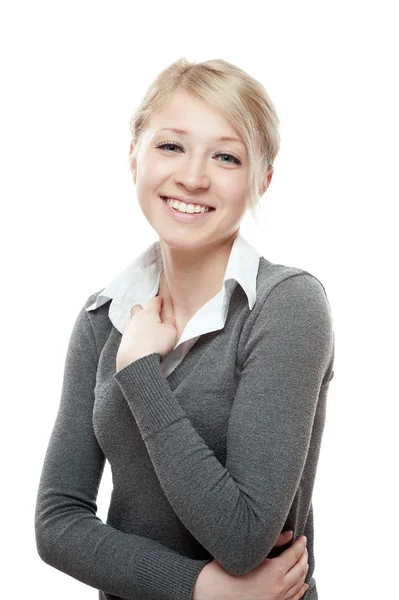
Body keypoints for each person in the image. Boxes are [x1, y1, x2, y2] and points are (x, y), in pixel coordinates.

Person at [35, 57, 335, 600]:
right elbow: (57, 523)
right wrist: (202, 587)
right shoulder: (102, 318)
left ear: (262, 180)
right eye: (171, 146)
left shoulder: (286, 306)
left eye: (226, 156)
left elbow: (242, 538)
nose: (193, 177)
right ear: (134, 158)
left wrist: (141, 375)